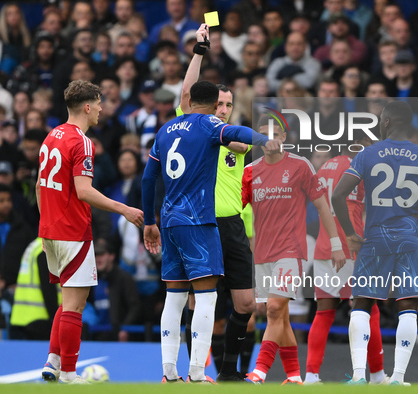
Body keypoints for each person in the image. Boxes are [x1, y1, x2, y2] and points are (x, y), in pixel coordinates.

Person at [141, 80, 280, 383]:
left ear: (189, 100)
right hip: (199, 220)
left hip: (169, 220)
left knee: (174, 298)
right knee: (205, 298)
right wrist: (263, 139)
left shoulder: (166, 130)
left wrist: (150, 222)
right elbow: (237, 133)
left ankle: (168, 373)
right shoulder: (208, 125)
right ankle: (197, 373)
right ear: (214, 103)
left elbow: (148, 178)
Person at [331, 101, 418, 385]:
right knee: (409, 305)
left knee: (362, 303)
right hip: (410, 236)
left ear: (387, 122)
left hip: (375, 237)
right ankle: (398, 377)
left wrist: (351, 233)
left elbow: (338, 195)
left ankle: (357, 376)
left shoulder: (367, 154)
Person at [38, 80, 144, 384]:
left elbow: (40, 185)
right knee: (76, 304)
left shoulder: (51, 135)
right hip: (72, 230)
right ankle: (70, 374)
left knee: (66, 299)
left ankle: (53, 361)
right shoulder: (82, 142)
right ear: (87, 106)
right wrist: (123, 208)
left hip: (51, 231)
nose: (101, 108)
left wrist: (43, 226)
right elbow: (84, 191)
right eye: (98, 103)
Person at [176, 24, 257, 382]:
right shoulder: (194, 127)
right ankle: (198, 370)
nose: (223, 109)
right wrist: (199, 50)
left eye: (228, 105)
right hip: (203, 226)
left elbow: (243, 150)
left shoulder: (236, 139)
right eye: (219, 103)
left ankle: (227, 369)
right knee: (200, 302)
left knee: (246, 304)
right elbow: (184, 97)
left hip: (233, 227)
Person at [245, 117, 346, 385]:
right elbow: (235, 209)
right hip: (262, 253)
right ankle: (294, 376)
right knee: (282, 317)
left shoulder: (301, 166)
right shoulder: (250, 171)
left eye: (274, 133)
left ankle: (259, 372)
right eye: (263, 134)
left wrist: (336, 244)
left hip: (291, 251)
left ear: (284, 137)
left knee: (275, 309)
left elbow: (323, 206)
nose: (269, 139)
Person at [306, 131, 389, 385]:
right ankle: (375, 375)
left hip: (324, 247)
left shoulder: (325, 167)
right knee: (368, 309)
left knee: (324, 312)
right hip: (352, 245)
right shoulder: (361, 167)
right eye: (372, 145)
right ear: (361, 144)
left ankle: (311, 375)